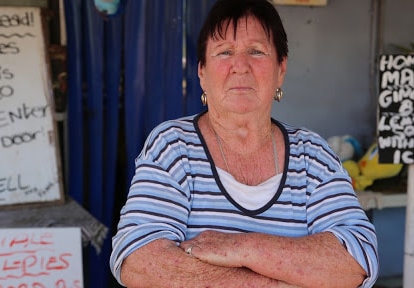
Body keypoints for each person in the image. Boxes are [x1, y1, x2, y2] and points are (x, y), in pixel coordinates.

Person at [110, 0, 379, 287]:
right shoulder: (173, 146)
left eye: (256, 51)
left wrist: (239, 247)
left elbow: (357, 260)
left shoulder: (313, 156)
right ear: (202, 72)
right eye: (224, 52)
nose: (240, 66)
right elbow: (139, 261)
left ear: (281, 69)